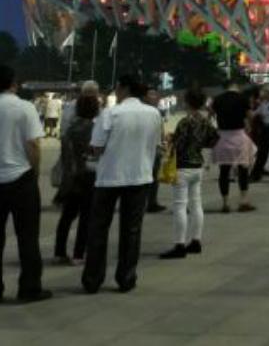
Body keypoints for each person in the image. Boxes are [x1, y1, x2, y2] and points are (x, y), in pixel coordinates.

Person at [82, 76, 163, 294]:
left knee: (98, 229)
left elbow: (97, 147)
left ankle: (93, 279)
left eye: (117, 87)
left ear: (124, 89)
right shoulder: (154, 114)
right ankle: (126, 278)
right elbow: (156, 144)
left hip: (109, 177)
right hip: (140, 177)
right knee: (132, 230)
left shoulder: (110, 113)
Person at [0, 64, 50, 303]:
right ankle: (30, 287)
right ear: (14, 83)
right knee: (28, 237)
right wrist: (35, 172)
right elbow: (33, 145)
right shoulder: (24, 107)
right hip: (21, 178)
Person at [159, 88, 219, 259]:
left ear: (187, 102)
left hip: (183, 166)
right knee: (196, 204)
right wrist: (199, 145)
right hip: (197, 166)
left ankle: (179, 244)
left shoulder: (185, 122)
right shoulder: (205, 121)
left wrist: (170, 139)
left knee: (180, 205)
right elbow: (214, 139)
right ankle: (196, 241)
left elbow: (178, 144)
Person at [54, 91, 100, 264]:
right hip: (89, 175)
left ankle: (59, 252)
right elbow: (96, 153)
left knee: (67, 216)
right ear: (95, 110)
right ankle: (78, 254)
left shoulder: (70, 129)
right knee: (86, 217)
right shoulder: (95, 129)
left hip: (72, 177)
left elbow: (66, 156)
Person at [210, 82, 257, 213]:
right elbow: (251, 116)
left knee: (224, 171)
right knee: (243, 169)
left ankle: (225, 203)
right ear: (236, 86)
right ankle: (243, 201)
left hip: (223, 137)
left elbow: (211, 114)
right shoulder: (243, 98)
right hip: (239, 136)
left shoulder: (217, 99)